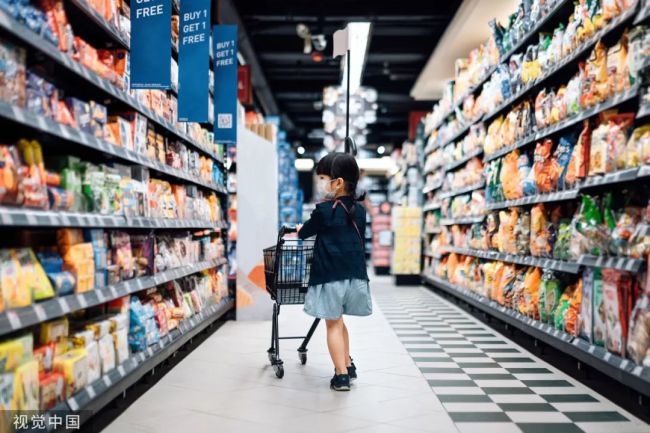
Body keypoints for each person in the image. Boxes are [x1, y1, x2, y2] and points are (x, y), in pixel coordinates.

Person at [297, 152, 371, 391]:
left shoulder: (325, 211)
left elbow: (304, 232)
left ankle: (340, 376)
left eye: (322, 177)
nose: (320, 183)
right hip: (355, 276)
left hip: (330, 275)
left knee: (332, 326)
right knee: (340, 323)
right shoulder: (359, 211)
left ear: (337, 182)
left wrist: (299, 229)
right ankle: (348, 364)